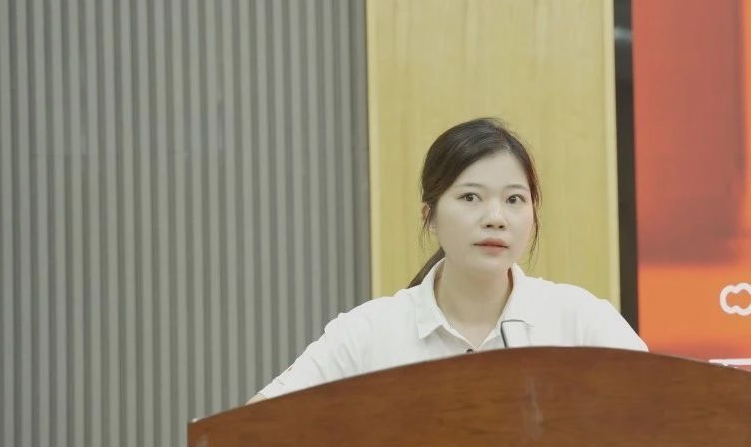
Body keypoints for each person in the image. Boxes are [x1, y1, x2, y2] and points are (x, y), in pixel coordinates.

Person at [249, 117, 646, 402]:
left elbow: (660, 416)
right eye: (471, 197)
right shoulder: (369, 332)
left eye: (514, 199)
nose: (495, 218)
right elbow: (259, 425)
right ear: (430, 215)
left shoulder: (579, 320)